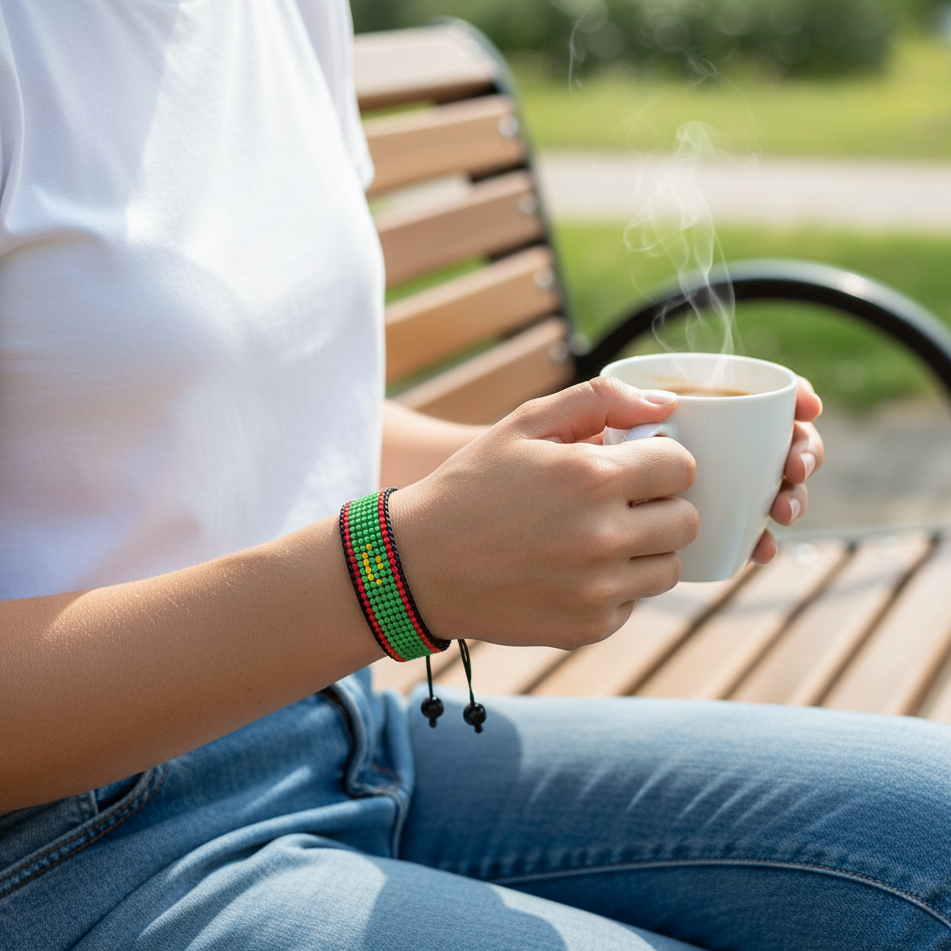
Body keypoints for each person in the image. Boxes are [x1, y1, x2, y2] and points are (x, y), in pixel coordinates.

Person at [2, 2, 951, 949]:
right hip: (70, 847)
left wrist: (572, 486)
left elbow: (252, 414)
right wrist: (397, 573)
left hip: (340, 726)